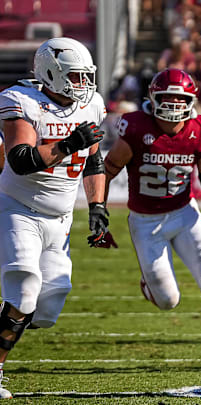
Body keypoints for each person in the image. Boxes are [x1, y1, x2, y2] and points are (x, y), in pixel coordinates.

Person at [103, 68, 201, 373]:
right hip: (146, 222)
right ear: (154, 97)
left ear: (191, 100)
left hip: (185, 214)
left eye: (181, 98)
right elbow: (107, 170)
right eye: (169, 98)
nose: (175, 104)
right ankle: (150, 282)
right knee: (168, 301)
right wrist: (99, 210)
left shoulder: (200, 129)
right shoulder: (136, 127)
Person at [0, 37, 109, 398]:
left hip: (60, 219)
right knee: (25, 293)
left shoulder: (91, 104)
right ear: (50, 72)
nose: (83, 85)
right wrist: (66, 145)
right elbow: (20, 159)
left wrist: (97, 206)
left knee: (46, 309)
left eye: (85, 77)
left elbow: (94, 161)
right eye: (75, 77)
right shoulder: (22, 100)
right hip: (18, 209)